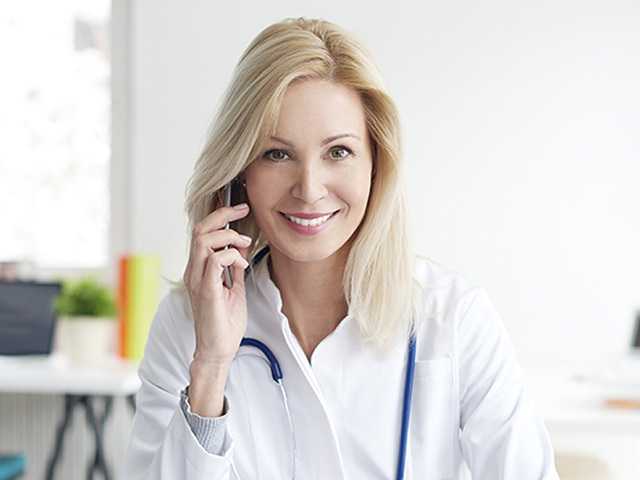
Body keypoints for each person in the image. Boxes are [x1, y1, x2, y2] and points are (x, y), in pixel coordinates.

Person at [124, 17, 560, 479]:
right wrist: (210, 366)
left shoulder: (453, 317)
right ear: (239, 174)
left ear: (377, 164)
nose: (309, 189)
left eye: (338, 152)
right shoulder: (187, 325)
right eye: (277, 153)